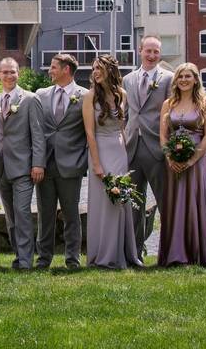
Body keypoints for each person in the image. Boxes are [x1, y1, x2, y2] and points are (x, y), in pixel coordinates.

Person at [84, 56, 142, 269]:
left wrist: (124, 151)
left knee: (120, 200)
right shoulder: (90, 96)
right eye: (94, 69)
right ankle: (103, 254)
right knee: (103, 202)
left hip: (118, 151)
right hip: (100, 149)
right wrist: (97, 164)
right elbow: (89, 133)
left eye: (99, 68)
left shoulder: (121, 94)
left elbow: (122, 127)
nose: (95, 72)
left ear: (110, 70)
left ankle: (123, 253)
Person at [157, 62, 206, 267]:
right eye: (180, 76)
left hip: (197, 162)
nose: (183, 80)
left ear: (195, 79)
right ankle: (175, 254)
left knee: (194, 202)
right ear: (176, 80)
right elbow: (163, 136)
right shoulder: (168, 104)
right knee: (175, 203)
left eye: (188, 76)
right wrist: (169, 158)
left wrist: (192, 159)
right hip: (173, 163)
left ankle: (196, 252)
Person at [34, 53, 88, 269]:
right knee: (44, 214)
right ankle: (43, 258)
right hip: (45, 163)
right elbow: (37, 131)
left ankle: (72, 258)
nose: (50, 70)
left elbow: (89, 132)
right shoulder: (41, 94)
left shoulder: (84, 95)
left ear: (66, 69)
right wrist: (36, 162)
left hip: (71, 164)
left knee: (71, 214)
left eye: (54, 67)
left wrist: (82, 161)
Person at [0, 57, 44, 270]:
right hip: (0, 166)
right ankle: (17, 255)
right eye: (5, 72)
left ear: (18, 74)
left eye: (12, 72)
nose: (9, 76)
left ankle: (25, 260)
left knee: (22, 212)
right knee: (11, 216)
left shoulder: (30, 99)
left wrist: (38, 164)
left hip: (23, 166)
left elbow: (38, 135)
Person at [122, 35, 172, 260]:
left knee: (165, 202)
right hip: (132, 147)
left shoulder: (169, 79)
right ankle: (135, 253)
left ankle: (169, 251)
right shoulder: (128, 79)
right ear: (140, 50)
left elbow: (173, 115)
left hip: (157, 147)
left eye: (156, 52)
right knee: (134, 204)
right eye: (148, 51)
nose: (152, 56)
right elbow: (125, 115)